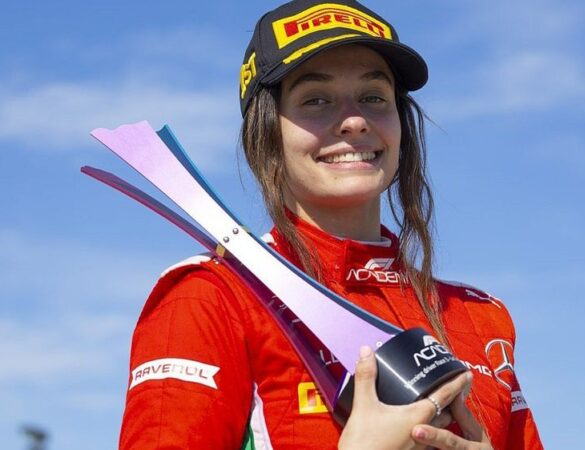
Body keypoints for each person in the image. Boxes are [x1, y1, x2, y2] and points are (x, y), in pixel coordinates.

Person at [119, 0, 544, 449]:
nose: (355, 121)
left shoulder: (480, 317)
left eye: (374, 97)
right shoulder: (212, 295)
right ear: (267, 135)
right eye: (316, 100)